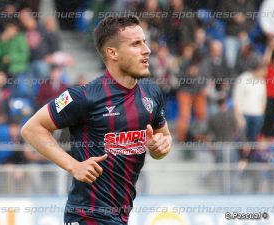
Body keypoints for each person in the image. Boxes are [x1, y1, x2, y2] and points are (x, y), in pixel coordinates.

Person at [21, 16, 172, 225]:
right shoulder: (84, 96)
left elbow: (163, 137)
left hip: (120, 217)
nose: (147, 50)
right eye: (136, 44)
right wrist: (74, 166)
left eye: (144, 42)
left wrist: (160, 148)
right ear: (113, 53)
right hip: (87, 216)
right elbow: (31, 129)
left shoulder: (152, 93)